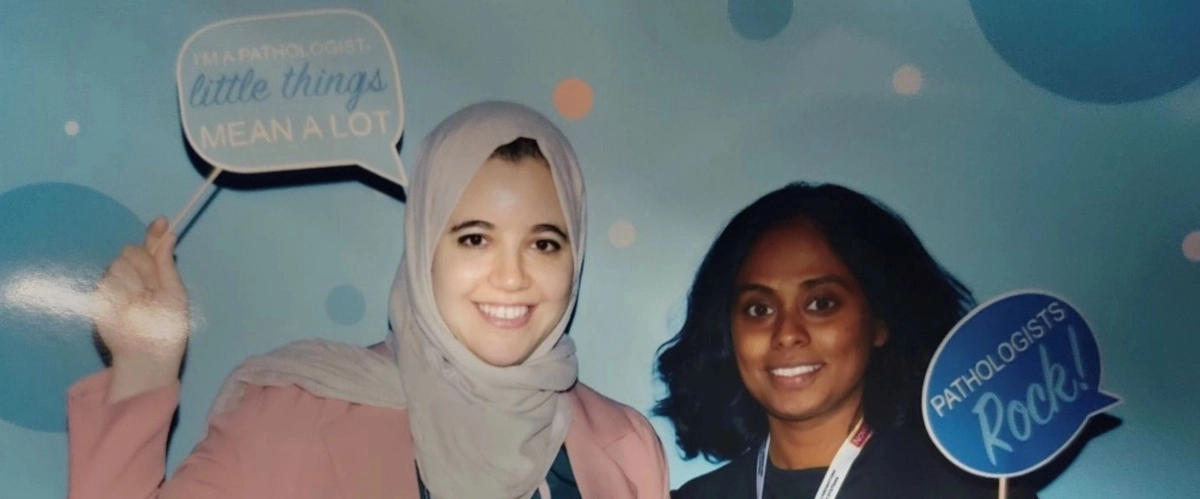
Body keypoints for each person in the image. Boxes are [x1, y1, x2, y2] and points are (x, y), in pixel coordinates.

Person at [68, 101, 669, 499]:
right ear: (423, 245)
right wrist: (144, 365)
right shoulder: (294, 415)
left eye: (543, 243)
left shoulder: (622, 448)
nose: (511, 277)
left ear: (575, 256)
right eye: (475, 238)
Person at [653, 182, 1038, 498]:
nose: (787, 333)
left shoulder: (972, 494)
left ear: (881, 320)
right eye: (758, 309)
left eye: (821, 303)